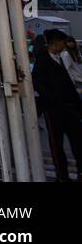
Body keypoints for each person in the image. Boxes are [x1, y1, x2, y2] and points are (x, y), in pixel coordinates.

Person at [32, 30, 82, 181]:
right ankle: (62, 175)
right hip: (54, 110)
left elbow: (68, 86)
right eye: (62, 42)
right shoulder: (43, 61)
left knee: (77, 141)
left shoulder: (58, 58)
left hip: (69, 109)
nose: (65, 45)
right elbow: (38, 84)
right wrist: (53, 101)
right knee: (57, 145)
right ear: (56, 42)